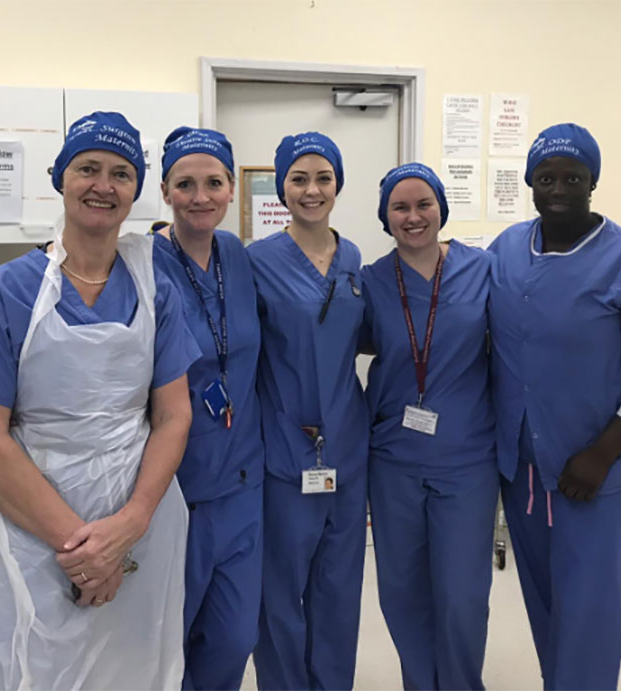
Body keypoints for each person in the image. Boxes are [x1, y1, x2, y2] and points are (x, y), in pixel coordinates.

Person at [0, 112, 199, 690]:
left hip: (139, 523)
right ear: (60, 177)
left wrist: (129, 526)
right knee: (25, 667)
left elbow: (173, 416)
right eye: (88, 168)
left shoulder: (155, 287)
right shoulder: (6, 291)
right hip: (33, 526)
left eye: (121, 174)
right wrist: (84, 552)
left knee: (132, 669)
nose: (103, 186)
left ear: (136, 190)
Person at [488, 123, 621, 690]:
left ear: (592, 182)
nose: (558, 189)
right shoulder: (507, 248)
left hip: (600, 478)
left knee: (589, 625)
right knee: (548, 615)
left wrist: (603, 454)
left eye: (573, 178)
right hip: (526, 476)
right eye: (546, 178)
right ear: (530, 183)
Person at [361, 163, 498, 690]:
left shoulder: (481, 270)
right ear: (386, 217)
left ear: (442, 208)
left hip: (467, 459)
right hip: (394, 458)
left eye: (424, 204)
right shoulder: (371, 281)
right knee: (402, 591)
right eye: (400, 207)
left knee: (463, 595)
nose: (413, 216)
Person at [247, 131, 369, 690]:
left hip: (347, 446)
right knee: (280, 591)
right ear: (282, 188)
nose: (312, 189)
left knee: (340, 587)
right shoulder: (257, 261)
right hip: (284, 448)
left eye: (323, 177)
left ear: (338, 185)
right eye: (298, 179)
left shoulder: (354, 259)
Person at [150, 126, 264, 690]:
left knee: (234, 638)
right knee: (167, 641)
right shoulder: (142, 261)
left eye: (214, 183)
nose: (201, 197)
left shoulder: (237, 256)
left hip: (242, 484)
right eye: (185, 184)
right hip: (174, 489)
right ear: (164, 191)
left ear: (230, 189)